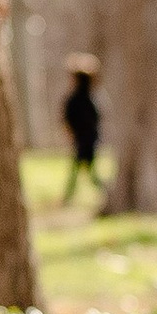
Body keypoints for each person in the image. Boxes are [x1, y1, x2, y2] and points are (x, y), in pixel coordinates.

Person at [60, 57, 101, 205]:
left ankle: (68, 197)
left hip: (84, 139)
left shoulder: (77, 99)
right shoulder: (92, 98)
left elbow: (68, 119)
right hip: (90, 138)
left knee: (85, 170)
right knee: (86, 170)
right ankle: (68, 196)